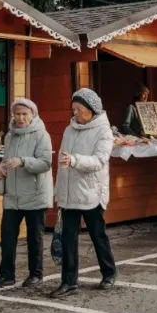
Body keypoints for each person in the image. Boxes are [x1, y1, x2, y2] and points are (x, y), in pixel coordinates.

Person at [51, 88, 117, 298]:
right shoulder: (69, 130)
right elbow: (61, 162)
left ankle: (109, 273)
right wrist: (59, 190)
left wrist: (75, 160)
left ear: (92, 110)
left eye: (80, 109)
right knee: (69, 239)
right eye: (74, 109)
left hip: (91, 192)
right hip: (69, 193)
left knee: (98, 236)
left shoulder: (103, 131)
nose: (76, 113)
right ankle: (69, 282)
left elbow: (99, 161)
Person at [0, 99, 53, 288]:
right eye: (17, 114)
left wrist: (23, 161)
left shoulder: (42, 135)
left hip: (34, 194)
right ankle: (6, 274)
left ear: (33, 114)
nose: (21, 118)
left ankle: (36, 274)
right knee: (7, 237)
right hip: (12, 195)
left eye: (25, 114)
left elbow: (45, 163)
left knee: (35, 237)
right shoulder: (9, 136)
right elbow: (5, 160)